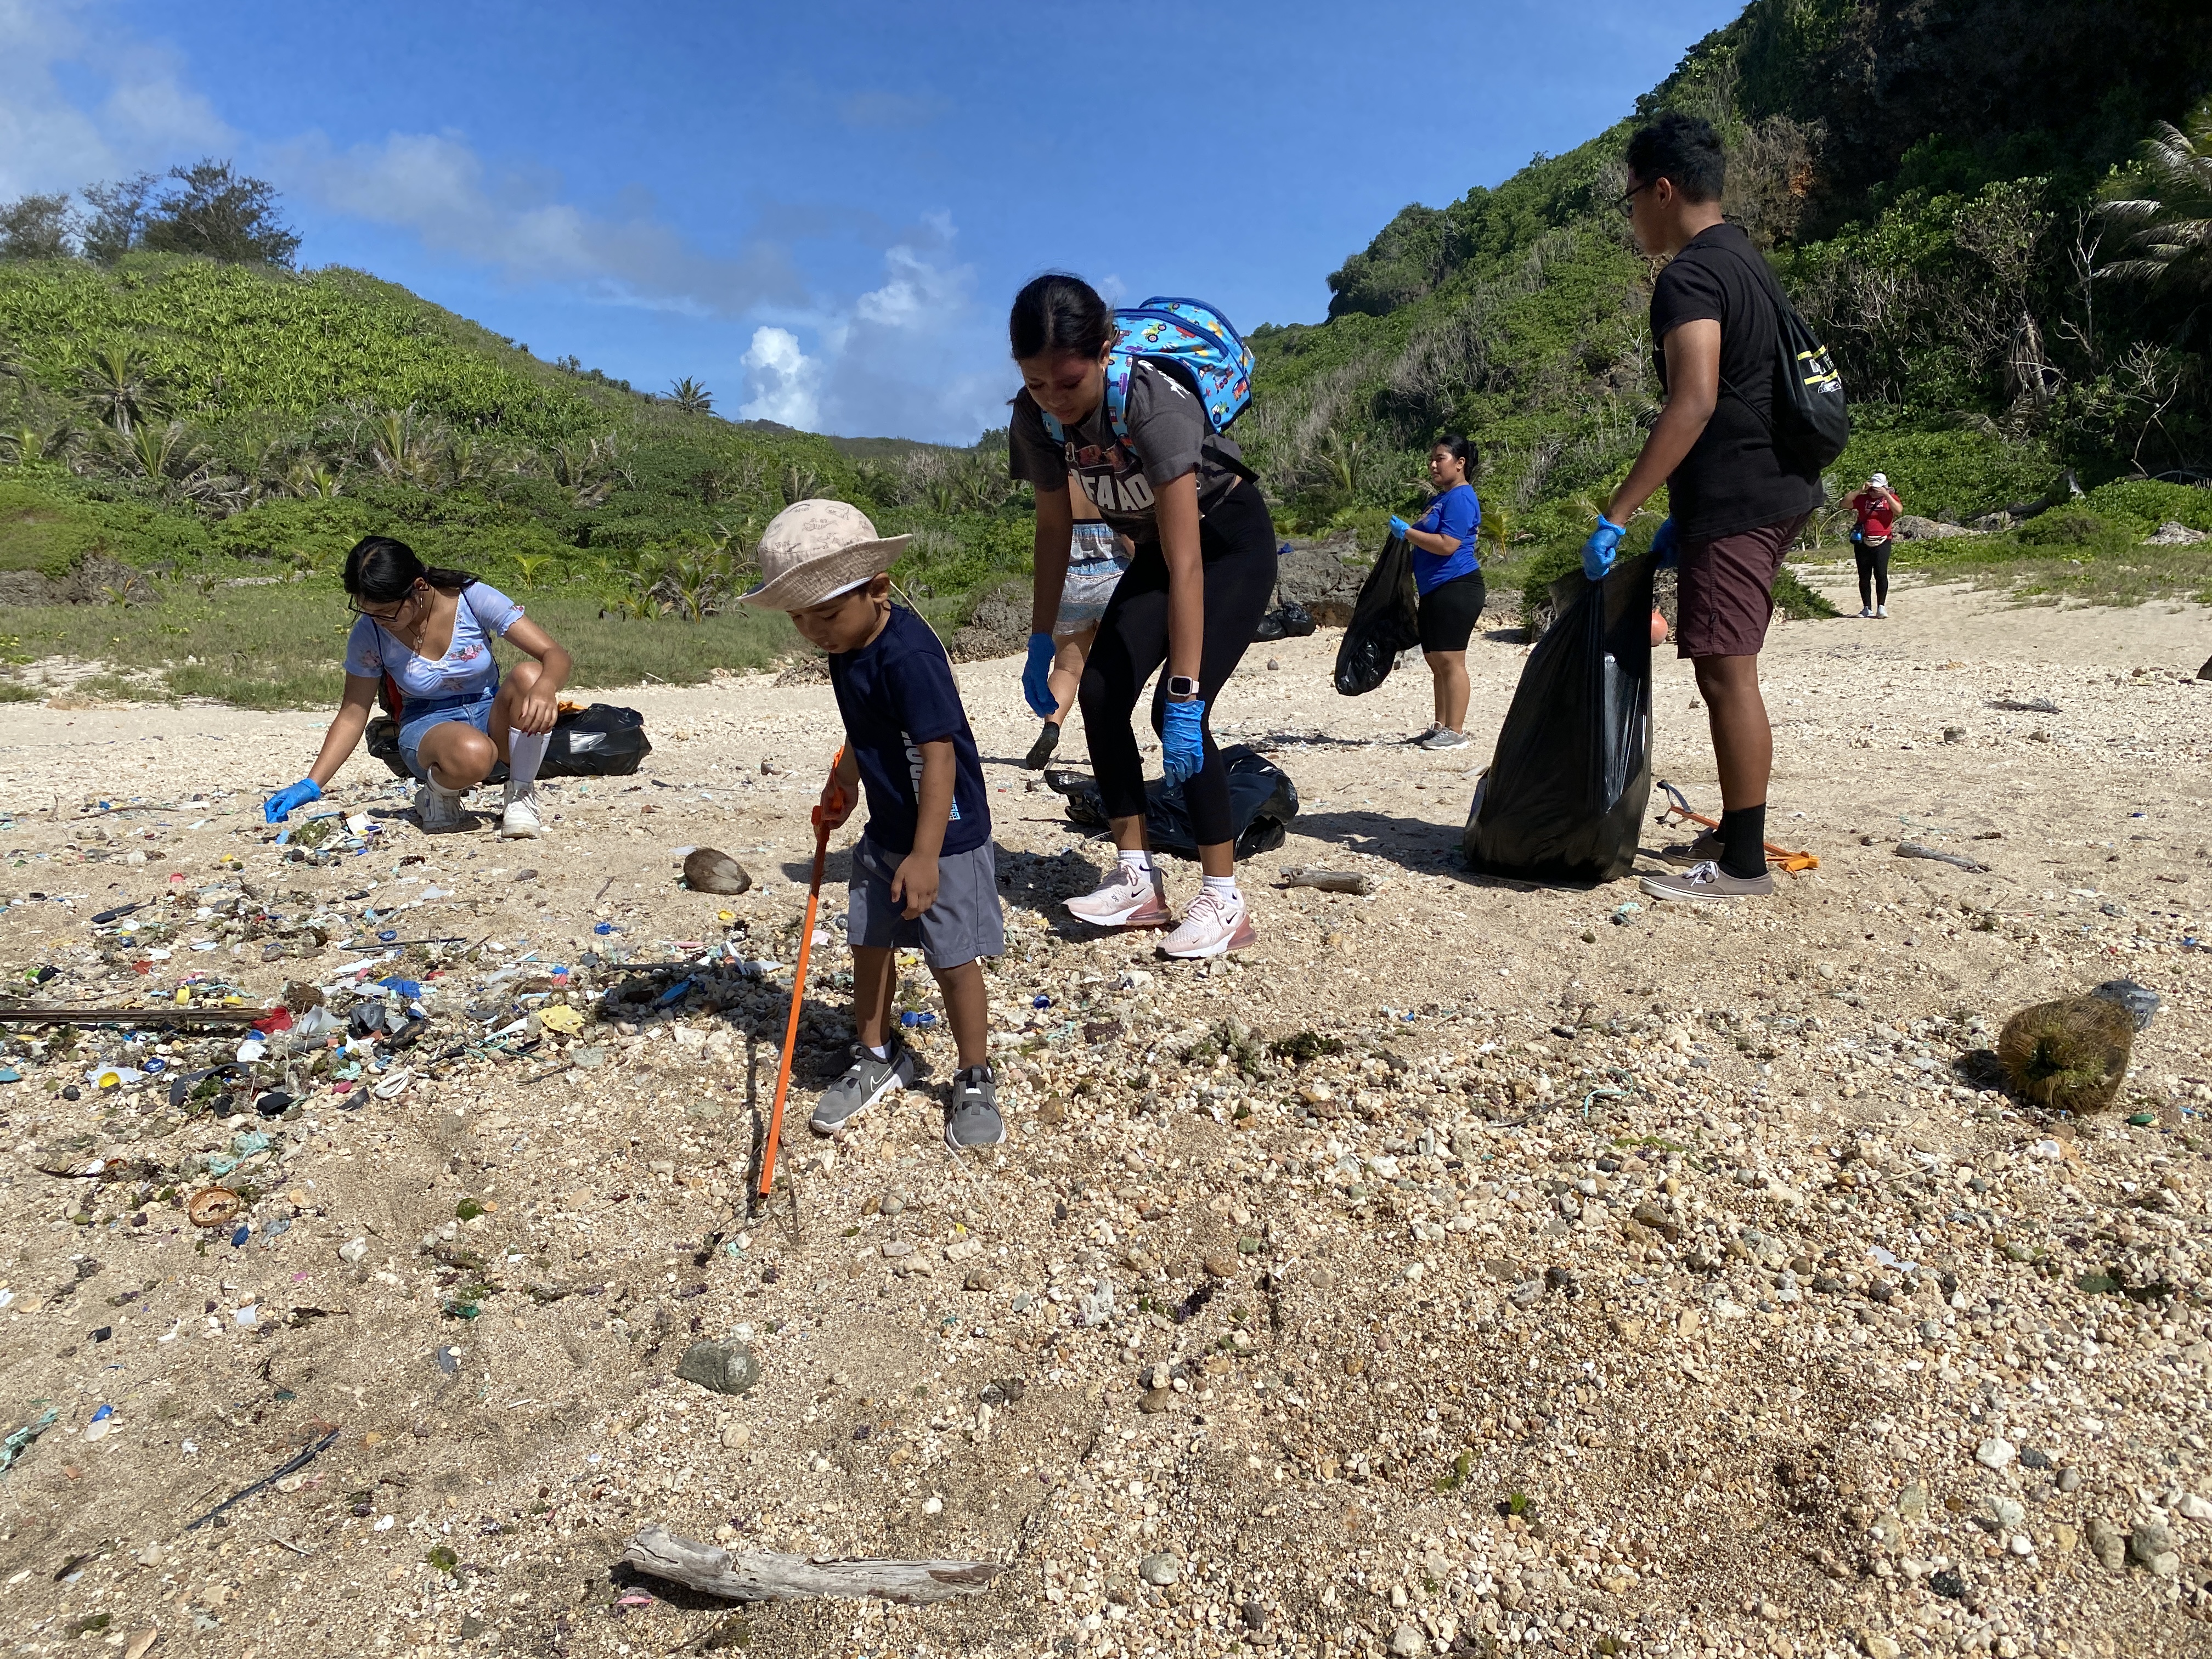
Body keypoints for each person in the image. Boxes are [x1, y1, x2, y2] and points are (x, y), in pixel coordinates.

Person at [1578, 112, 1822, 901]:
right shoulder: (1744, 258)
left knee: (1726, 673)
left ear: (1662, 189)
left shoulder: (1689, 277)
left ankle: (1743, 864)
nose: (1632, 217)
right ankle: (1732, 832)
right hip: (1775, 487)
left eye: (1630, 199)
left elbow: (1694, 400)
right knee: (1729, 665)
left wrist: (1620, 512)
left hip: (1737, 495)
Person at [1008, 273, 1276, 960]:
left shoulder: (1151, 402)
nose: (1054, 399)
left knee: (1176, 713)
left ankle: (1223, 899)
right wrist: (1041, 638)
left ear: (1104, 352)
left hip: (1228, 547)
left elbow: (1190, 563)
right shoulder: (1036, 416)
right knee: (1099, 692)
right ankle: (1138, 881)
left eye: (1068, 382)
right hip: (1160, 552)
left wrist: (1185, 689)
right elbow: (1053, 528)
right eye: (1036, 383)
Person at [740, 498, 1006, 1150]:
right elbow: (867, 728)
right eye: (799, 618)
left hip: (946, 834)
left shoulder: (908, 657)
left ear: (877, 589)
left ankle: (974, 1075)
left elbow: (939, 756)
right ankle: (878, 1054)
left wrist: (926, 855)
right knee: (869, 939)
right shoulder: (848, 647)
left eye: (827, 615)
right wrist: (846, 780)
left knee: (952, 957)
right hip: (887, 829)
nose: (815, 631)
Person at [261, 536, 571, 837]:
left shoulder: (471, 598)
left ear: (419, 587)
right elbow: (353, 713)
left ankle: (520, 795)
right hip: (428, 724)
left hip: (490, 709)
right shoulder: (370, 633)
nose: (378, 620)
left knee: (532, 675)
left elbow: (554, 654)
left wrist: (546, 688)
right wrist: (311, 784)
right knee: (473, 752)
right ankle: (437, 794)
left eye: (387, 612)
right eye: (367, 611)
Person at [1023, 476, 1133, 771]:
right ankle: (1117, 743)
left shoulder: (1057, 478)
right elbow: (1129, 540)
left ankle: (1052, 727)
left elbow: (1049, 535)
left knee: (1067, 668)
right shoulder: (1107, 474)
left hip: (1070, 584)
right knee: (1113, 671)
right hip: (1115, 581)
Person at [1387, 435, 1486, 751]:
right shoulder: (1439, 499)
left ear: (1460, 463)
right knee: (1435, 660)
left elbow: (1447, 545)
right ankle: (1440, 726)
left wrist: (1408, 532)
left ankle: (1456, 731)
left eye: (1440, 458)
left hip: (1457, 585)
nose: (1433, 465)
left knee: (1451, 660)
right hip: (1433, 589)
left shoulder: (1461, 498)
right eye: (1431, 459)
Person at [1848, 472, 1901, 618]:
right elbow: (1845, 503)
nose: (1874, 491)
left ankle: (1881, 607)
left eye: (1877, 489)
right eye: (1873, 488)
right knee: (1864, 575)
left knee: (1881, 574)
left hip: (1883, 540)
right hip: (1863, 541)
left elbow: (1898, 510)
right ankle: (1866, 608)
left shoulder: (1890, 498)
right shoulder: (1863, 499)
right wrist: (1860, 490)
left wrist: (1886, 494)